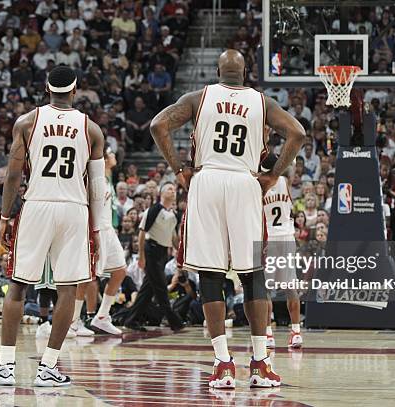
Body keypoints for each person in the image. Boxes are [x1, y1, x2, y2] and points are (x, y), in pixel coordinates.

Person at [149, 49, 305, 389]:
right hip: (244, 182)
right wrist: (273, 175)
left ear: (218, 71)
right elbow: (298, 134)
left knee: (210, 274)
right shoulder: (263, 102)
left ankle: (222, 363)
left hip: (206, 181)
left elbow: (158, 124)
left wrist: (178, 169)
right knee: (253, 273)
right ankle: (260, 362)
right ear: (246, 71)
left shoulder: (197, 97)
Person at [0, 66, 105, 387]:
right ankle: (48, 367)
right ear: (75, 91)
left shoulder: (26, 122)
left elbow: (12, 176)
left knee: (18, 284)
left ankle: (6, 367)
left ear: (46, 89)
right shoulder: (92, 129)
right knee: (68, 288)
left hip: (37, 205)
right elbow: (97, 187)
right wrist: (99, 229)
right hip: (74, 210)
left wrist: (5, 217)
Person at [123, 183, 182, 331]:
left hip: (162, 252)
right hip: (151, 250)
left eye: (174, 189)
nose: (173, 191)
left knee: (147, 290)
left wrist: (180, 252)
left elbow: (173, 237)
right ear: (161, 193)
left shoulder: (174, 215)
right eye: (169, 188)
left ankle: (131, 319)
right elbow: (142, 233)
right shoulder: (154, 210)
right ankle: (174, 320)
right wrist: (142, 256)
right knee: (161, 286)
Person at [260, 155, 303, 349]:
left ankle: (268, 334)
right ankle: (296, 332)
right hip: (286, 237)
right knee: (290, 287)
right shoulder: (285, 181)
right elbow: (291, 166)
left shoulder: (258, 185)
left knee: (266, 289)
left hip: (269, 239)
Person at [89, 147, 129, 335]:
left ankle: (102, 316)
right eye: (111, 154)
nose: (114, 157)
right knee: (89, 276)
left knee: (120, 271)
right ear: (104, 159)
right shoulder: (97, 180)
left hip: (109, 230)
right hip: (99, 229)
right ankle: (74, 322)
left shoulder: (109, 178)